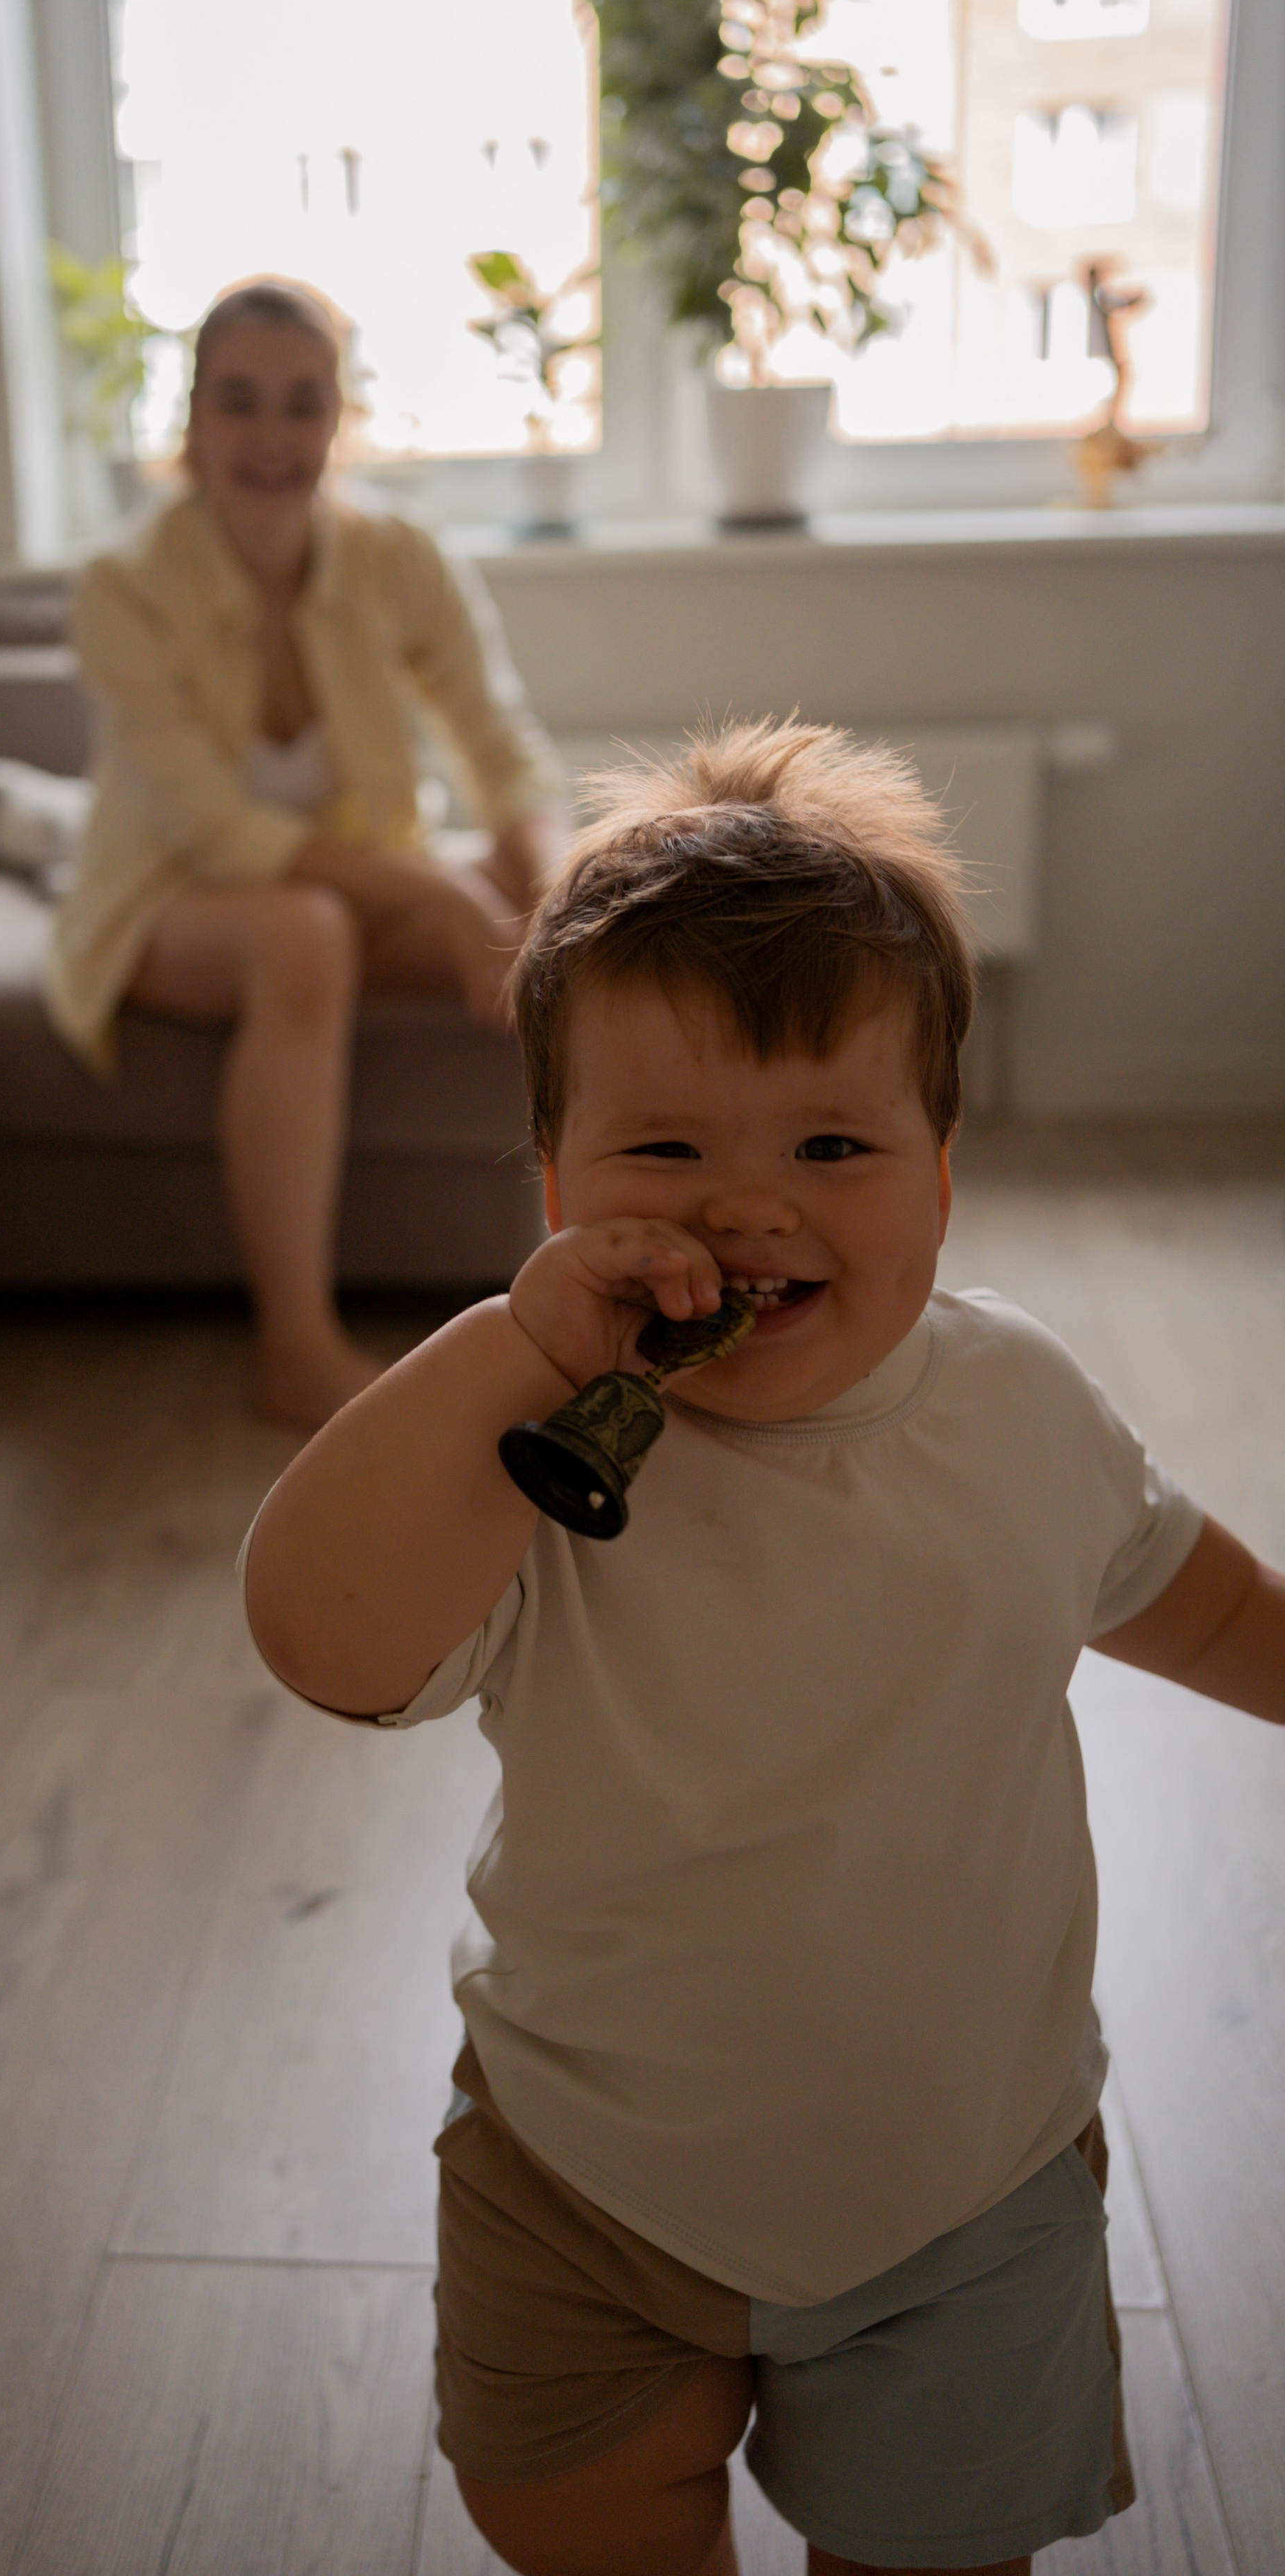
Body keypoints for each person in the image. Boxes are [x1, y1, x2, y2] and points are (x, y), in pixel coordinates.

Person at [243, 721, 1285, 2576]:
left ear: (941, 1173)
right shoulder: (540, 1452)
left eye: (833, 1142)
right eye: (665, 1146)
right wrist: (512, 1351)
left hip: (962, 2188)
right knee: (561, 2509)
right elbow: (321, 1633)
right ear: (555, 1183)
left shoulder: (1023, 1408)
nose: (753, 1202)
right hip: (583, 2175)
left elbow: (1182, 1593)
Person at [44, 279, 566, 1428]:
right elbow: (217, 834)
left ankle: (615, 1306)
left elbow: (503, 749)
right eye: (241, 403)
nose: (273, 436)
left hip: (356, 885)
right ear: (193, 423)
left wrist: (549, 892)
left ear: (340, 416)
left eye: (302, 403)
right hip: (170, 905)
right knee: (304, 930)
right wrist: (439, 889)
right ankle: (294, 1344)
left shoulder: (402, 557)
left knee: (581, 940)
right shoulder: (121, 589)